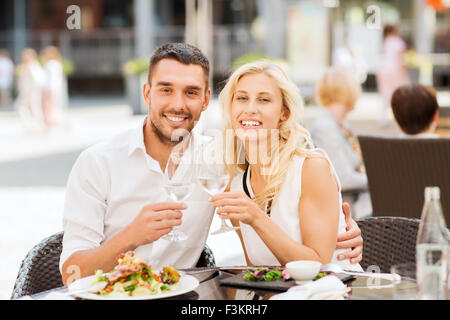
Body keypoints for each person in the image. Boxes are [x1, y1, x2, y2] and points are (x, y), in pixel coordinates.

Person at [60, 43, 363, 285]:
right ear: (147, 94)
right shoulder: (98, 163)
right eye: (166, 90)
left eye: (190, 92)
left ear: (206, 101)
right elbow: (71, 273)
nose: (178, 104)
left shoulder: (219, 162)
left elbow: (313, 249)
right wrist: (131, 236)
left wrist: (344, 229)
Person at [209, 60, 363, 270]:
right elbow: (259, 272)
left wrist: (256, 218)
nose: (250, 109)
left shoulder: (311, 169)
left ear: (284, 113)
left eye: (264, 100)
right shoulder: (237, 187)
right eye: (242, 98)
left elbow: (317, 266)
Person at [309, 67, 372, 220]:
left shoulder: (341, 126)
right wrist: (378, 180)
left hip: (353, 207)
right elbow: (342, 178)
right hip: (342, 214)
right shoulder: (326, 127)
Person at [376, 25, 409, 127]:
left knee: (386, 94)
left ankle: (383, 117)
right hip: (395, 70)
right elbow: (401, 58)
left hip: (384, 69)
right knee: (401, 94)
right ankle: (402, 117)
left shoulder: (384, 42)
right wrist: (403, 71)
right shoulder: (398, 42)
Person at [14, 48, 46, 132]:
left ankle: (36, 124)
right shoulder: (29, 65)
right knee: (26, 108)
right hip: (27, 92)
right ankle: (30, 124)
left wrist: (32, 90)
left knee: (32, 107)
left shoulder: (33, 65)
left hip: (31, 92)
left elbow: (37, 80)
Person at [41, 46, 66, 128]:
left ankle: (51, 122)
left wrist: (47, 90)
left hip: (50, 88)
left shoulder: (50, 64)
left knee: (49, 107)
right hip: (54, 88)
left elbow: (50, 79)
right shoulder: (57, 64)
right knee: (53, 106)